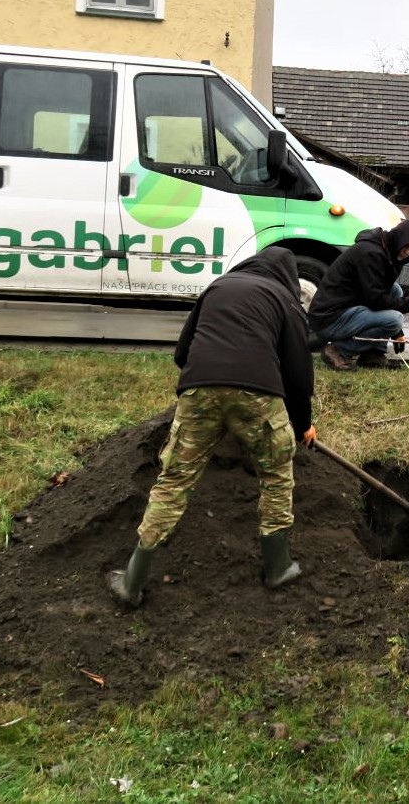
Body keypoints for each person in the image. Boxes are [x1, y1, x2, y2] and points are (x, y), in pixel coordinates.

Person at [106, 246, 317, 607]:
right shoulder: (285, 299)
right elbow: (299, 375)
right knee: (277, 475)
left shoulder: (217, 288)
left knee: (173, 480)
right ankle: (278, 568)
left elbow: (181, 354)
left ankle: (132, 581)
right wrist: (303, 425)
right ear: (288, 278)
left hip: (198, 389)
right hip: (258, 395)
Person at [307, 218, 409, 371]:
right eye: (407, 246)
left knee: (395, 290)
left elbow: (378, 293)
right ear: (398, 239)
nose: (407, 252)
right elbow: (375, 300)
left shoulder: (385, 251)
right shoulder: (371, 254)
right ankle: (339, 351)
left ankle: (373, 354)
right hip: (329, 318)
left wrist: (397, 333)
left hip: (346, 308)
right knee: (395, 320)